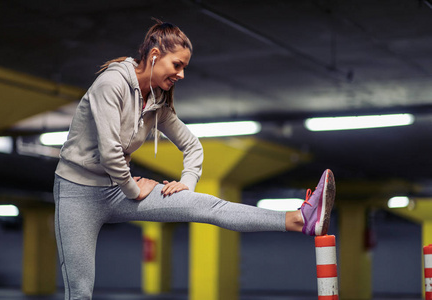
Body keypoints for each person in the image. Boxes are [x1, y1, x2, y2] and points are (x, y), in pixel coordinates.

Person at [53, 19, 336, 300]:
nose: (182, 74)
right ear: (154, 56)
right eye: (177, 65)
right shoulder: (111, 84)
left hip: (118, 190)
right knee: (79, 291)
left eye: (184, 67)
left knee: (208, 206)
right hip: (78, 194)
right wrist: (133, 188)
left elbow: (192, 146)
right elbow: (109, 151)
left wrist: (186, 184)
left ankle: (300, 219)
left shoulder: (156, 103)